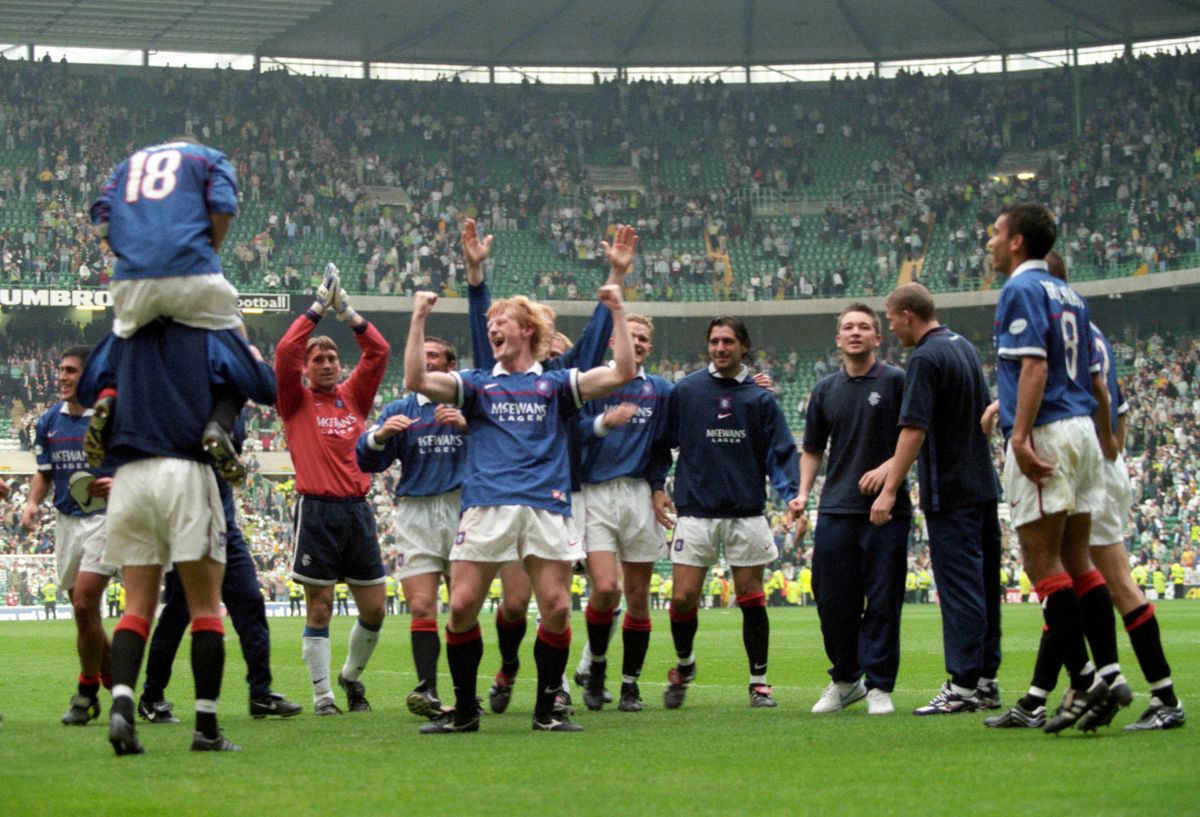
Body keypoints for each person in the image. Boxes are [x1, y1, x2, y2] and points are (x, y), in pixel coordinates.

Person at [404, 278, 637, 734]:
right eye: (489, 322)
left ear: (527, 330)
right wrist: (418, 318)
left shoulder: (555, 384)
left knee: (553, 605)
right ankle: (466, 711)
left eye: (501, 320)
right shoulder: (476, 384)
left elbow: (622, 372)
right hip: (486, 504)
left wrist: (619, 312)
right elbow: (415, 379)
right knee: (463, 606)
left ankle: (546, 710)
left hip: (545, 505)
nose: (492, 327)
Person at [984, 251, 1183, 731]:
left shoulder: (1043, 314)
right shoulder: (1088, 329)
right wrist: (1110, 442)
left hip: (1068, 444)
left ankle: (1151, 692)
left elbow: (1080, 388)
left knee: (1086, 574)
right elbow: (1110, 397)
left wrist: (1097, 445)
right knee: (1073, 572)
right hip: (1092, 448)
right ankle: (1044, 694)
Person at [78, 320, 276, 755]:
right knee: (205, 606)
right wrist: (247, 349)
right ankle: (206, 727)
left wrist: (112, 392)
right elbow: (265, 385)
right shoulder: (205, 329)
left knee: (137, 606)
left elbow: (86, 382)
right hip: (187, 467)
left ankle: (123, 711)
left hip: (130, 476)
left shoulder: (126, 333)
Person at [460, 219, 624, 716]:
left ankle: (553, 695)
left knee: (556, 602)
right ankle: (508, 667)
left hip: (558, 497)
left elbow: (597, 343)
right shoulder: (500, 375)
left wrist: (614, 279)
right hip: (511, 494)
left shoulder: (560, 380)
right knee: (512, 603)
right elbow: (479, 332)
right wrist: (474, 278)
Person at [985, 202, 1112, 734]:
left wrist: (1017, 435)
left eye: (995, 232)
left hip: (1047, 429)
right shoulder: (1070, 293)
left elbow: (1034, 364)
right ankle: (1107, 670)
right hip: (1081, 426)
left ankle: (1086, 682)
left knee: (1042, 564)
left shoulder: (1021, 289)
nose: (989, 241)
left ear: (1016, 241)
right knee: (1080, 561)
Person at [650, 315, 803, 710]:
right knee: (682, 598)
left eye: (728, 342)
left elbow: (781, 454)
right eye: (715, 341)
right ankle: (684, 667)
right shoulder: (685, 391)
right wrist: (655, 486)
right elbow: (661, 443)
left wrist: (793, 498)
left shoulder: (760, 398)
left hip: (746, 512)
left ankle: (759, 682)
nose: (720, 348)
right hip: (695, 512)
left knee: (751, 596)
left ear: (744, 346)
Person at [870, 283, 1003, 714]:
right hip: (983, 485)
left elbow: (914, 427)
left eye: (890, 318)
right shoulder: (962, 346)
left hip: (951, 491)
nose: (890, 328)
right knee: (984, 587)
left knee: (960, 588)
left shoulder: (925, 357)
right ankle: (985, 680)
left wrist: (890, 488)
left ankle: (962, 685)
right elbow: (984, 415)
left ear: (908, 314)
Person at [87, 138, 247, 482]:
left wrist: (129, 255)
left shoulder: (127, 164)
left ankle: (109, 397)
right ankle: (220, 424)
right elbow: (222, 206)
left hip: (132, 281)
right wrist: (210, 251)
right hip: (192, 273)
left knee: (125, 339)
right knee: (241, 349)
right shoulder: (210, 158)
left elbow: (100, 217)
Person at [276, 267, 390, 716]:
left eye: (331, 360)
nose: (326, 366)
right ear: (305, 369)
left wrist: (347, 312)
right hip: (318, 511)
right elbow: (285, 349)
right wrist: (317, 309)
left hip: (357, 510)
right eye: (317, 361)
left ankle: (350, 677)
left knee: (376, 610)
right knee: (319, 608)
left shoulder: (353, 396)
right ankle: (323, 697)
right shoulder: (294, 401)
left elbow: (378, 351)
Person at [136, 416, 301, 724]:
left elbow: (234, 438)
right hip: (185, 530)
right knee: (177, 615)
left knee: (250, 604)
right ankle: (151, 697)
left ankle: (261, 694)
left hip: (225, 530)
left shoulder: (223, 411)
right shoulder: (177, 410)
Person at [796, 304, 910, 717]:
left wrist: (887, 473)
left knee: (883, 599)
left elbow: (915, 436)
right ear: (838, 339)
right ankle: (846, 679)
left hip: (887, 509)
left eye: (865, 326)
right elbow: (812, 449)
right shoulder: (825, 390)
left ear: (878, 338)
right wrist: (803, 493)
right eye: (849, 327)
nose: (856, 332)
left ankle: (880, 685)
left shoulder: (897, 381)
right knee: (830, 598)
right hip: (836, 507)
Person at [356, 335, 468, 720]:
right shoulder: (401, 409)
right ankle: (429, 689)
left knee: (463, 606)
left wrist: (469, 425)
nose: (427, 362)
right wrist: (381, 436)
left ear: (450, 367)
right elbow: (368, 461)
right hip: (416, 512)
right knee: (421, 605)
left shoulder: (467, 401)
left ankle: (466, 692)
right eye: (421, 357)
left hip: (461, 508)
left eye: (434, 356)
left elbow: (500, 446)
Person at [575, 312, 672, 712]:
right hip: (594, 493)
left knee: (637, 596)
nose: (639, 343)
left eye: (645, 339)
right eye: (631, 337)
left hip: (637, 494)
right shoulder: (592, 383)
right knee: (605, 588)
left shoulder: (660, 390)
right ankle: (595, 668)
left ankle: (630, 684)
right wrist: (603, 422)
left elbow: (662, 446)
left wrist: (657, 486)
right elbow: (571, 431)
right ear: (614, 343)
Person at [21, 347, 119, 725]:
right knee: (86, 616)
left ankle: (86, 691)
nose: (62, 377)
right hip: (66, 521)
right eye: (60, 370)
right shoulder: (50, 421)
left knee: (83, 604)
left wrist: (118, 481)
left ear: (89, 375)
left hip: (104, 520)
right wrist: (32, 503)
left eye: (71, 371)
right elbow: (45, 472)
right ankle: (120, 687)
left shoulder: (109, 418)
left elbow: (134, 463)